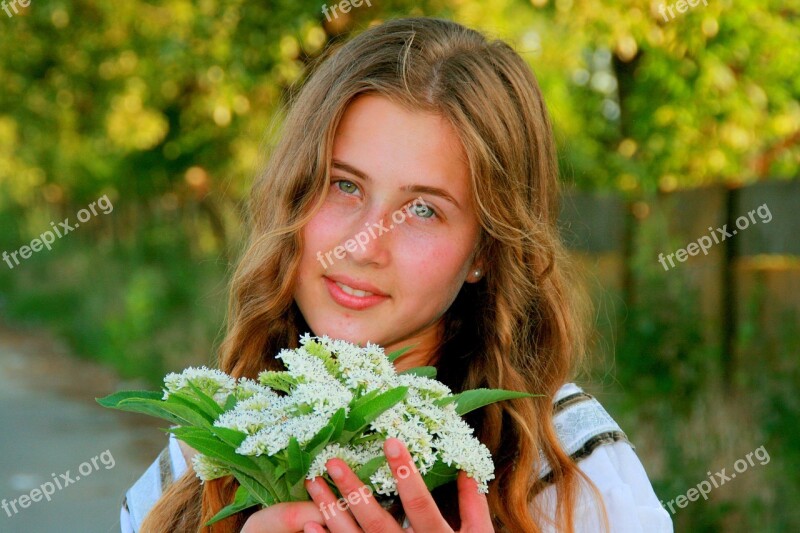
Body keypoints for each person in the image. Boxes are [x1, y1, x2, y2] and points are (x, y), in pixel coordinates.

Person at [121, 16, 673, 532]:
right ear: (292, 195)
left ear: (485, 250)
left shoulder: (567, 463)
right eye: (344, 185)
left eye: (423, 210)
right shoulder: (213, 444)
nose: (366, 246)